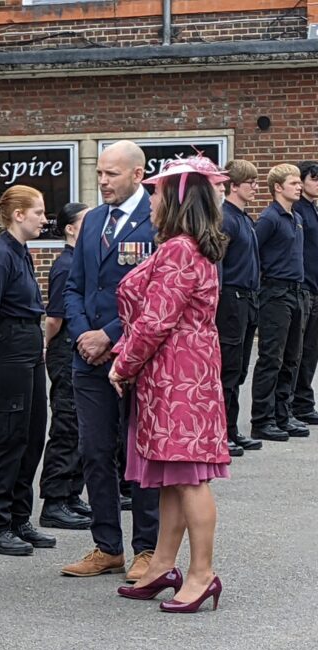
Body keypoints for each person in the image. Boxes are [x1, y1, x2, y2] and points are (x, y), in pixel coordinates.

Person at [108, 155, 231, 613]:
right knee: (172, 476)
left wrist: (123, 364)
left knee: (190, 477)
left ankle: (202, 574)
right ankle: (162, 564)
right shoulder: (189, 246)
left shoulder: (180, 249)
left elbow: (156, 319)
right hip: (178, 370)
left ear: (177, 201)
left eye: (157, 193)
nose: (151, 201)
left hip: (179, 376)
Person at [60, 140, 160, 582]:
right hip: (89, 358)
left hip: (136, 356)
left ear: (138, 175)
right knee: (95, 451)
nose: (102, 181)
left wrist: (110, 335)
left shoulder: (157, 219)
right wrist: (85, 333)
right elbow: (75, 286)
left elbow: (156, 296)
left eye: (111, 174)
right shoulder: (94, 221)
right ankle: (107, 546)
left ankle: (147, 548)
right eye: (99, 173)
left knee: (139, 453)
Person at [0, 186, 57, 554]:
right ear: (18, 215)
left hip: (27, 350)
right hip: (7, 352)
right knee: (6, 437)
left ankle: (18, 517)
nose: (44, 219)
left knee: (31, 435)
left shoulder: (20, 251)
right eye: (38, 212)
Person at [39, 202, 93, 530]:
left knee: (80, 427)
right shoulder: (65, 265)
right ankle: (55, 499)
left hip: (78, 349)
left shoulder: (81, 261)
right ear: (70, 229)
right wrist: (48, 346)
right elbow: (54, 318)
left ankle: (72, 492)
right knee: (66, 425)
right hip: (64, 349)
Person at [249, 163, 308, 442]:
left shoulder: (296, 217)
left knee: (292, 357)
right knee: (271, 357)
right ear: (278, 187)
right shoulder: (269, 219)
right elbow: (253, 253)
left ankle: (283, 414)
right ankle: (263, 419)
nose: (299, 186)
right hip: (275, 293)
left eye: (299, 182)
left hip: (297, 292)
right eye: (293, 183)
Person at [217, 160, 263, 455]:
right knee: (229, 369)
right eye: (250, 183)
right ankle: (222, 433)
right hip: (231, 300)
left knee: (240, 369)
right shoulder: (226, 219)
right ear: (233, 185)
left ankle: (232, 429)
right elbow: (218, 264)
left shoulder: (244, 219)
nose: (255, 187)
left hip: (248, 299)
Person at [291, 161, 318, 425]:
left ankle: (304, 402)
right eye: (314, 178)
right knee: (296, 352)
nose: (317, 183)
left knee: (311, 351)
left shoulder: (313, 209)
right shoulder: (297, 210)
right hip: (304, 288)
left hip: (315, 289)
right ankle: (291, 404)